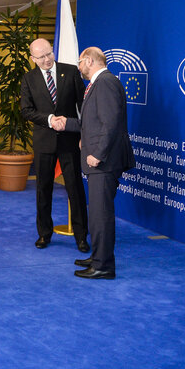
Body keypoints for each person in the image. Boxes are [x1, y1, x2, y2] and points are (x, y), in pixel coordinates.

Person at [59, 47, 135, 280]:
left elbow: (110, 123)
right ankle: (98, 256)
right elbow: (93, 121)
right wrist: (69, 124)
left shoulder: (106, 83)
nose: (78, 67)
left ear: (89, 61)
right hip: (100, 160)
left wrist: (99, 153)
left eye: (80, 62)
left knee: (101, 215)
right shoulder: (98, 83)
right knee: (97, 215)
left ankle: (103, 266)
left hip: (104, 162)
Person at [20, 38, 88, 252]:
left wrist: (82, 132)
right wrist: (50, 119)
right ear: (33, 59)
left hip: (69, 140)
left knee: (75, 188)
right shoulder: (28, 79)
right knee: (43, 189)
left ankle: (81, 236)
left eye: (49, 54)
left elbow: (83, 105)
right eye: (41, 57)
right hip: (44, 141)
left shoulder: (70, 72)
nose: (46, 60)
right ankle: (44, 233)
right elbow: (26, 110)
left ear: (53, 51)